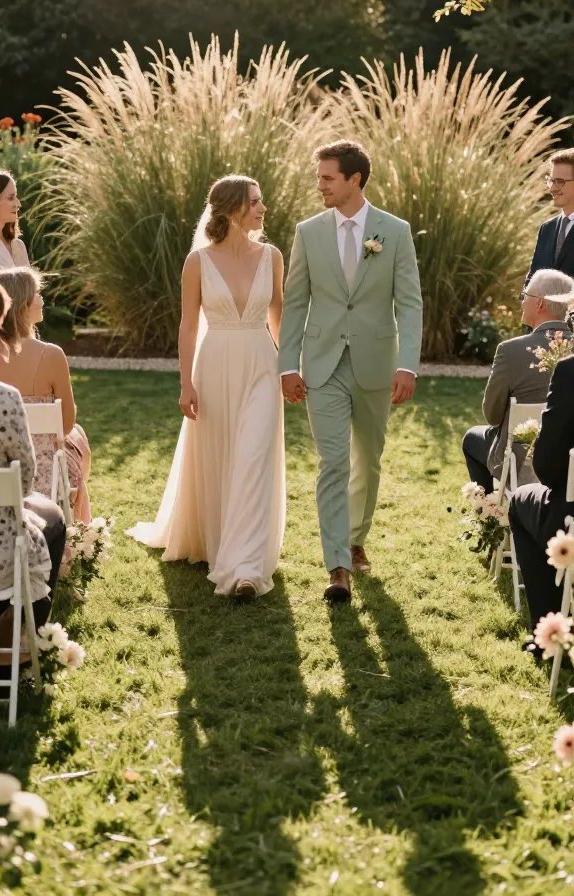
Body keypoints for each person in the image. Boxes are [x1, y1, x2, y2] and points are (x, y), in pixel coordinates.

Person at [127, 175, 286, 600]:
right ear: (234, 208)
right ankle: (220, 539)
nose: (263, 209)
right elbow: (188, 325)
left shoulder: (272, 256)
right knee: (221, 457)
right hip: (213, 367)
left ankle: (245, 569)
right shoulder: (198, 262)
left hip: (261, 368)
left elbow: (279, 320)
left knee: (253, 458)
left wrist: (289, 369)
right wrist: (185, 382)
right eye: (255, 201)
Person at [278, 139, 423, 604]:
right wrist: (287, 364)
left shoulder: (394, 232)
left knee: (369, 458)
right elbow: (296, 302)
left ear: (354, 180)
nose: (319, 184)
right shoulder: (308, 232)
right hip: (321, 365)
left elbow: (410, 303)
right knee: (333, 462)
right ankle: (338, 564)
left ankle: (357, 536)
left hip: (377, 363)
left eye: (327, 177)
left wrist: (407, 364)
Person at [0, 282, 66, 673]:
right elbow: (23, 483)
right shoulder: (5, 399)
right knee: (52, 518)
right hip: (2, 558)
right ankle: (25, 642)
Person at [462, 268, 574, 493]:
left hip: (519, 463)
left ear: (540, 304)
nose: (522, 302)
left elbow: (492, 416)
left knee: (471, 439)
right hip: (568, 459)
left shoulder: (510, 351)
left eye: (525, 296)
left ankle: (491, 516)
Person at [0, 266, 91, 523]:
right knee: (77, 440)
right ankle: (77, 535)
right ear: (21, 305)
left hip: (1, 467)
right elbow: (66, 423)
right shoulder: (50, 355)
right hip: (45, 473)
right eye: (37, 293)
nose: (42, 299)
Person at [509, 354, 574, 640]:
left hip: (571, 521)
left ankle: (552, 631)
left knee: (521, 499)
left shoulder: (570, 370)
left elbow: (547, 468)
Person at [524, 149, 574, 286]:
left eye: (560, 182)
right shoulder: (546, 228)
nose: (552, 188)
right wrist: (525, 301)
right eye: (551, 181)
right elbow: (532, 278)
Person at [0, 172, 30, 271]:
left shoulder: (18, 246)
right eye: (11, 198)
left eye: (16, 197)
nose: (18, 204)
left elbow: (30, 286)